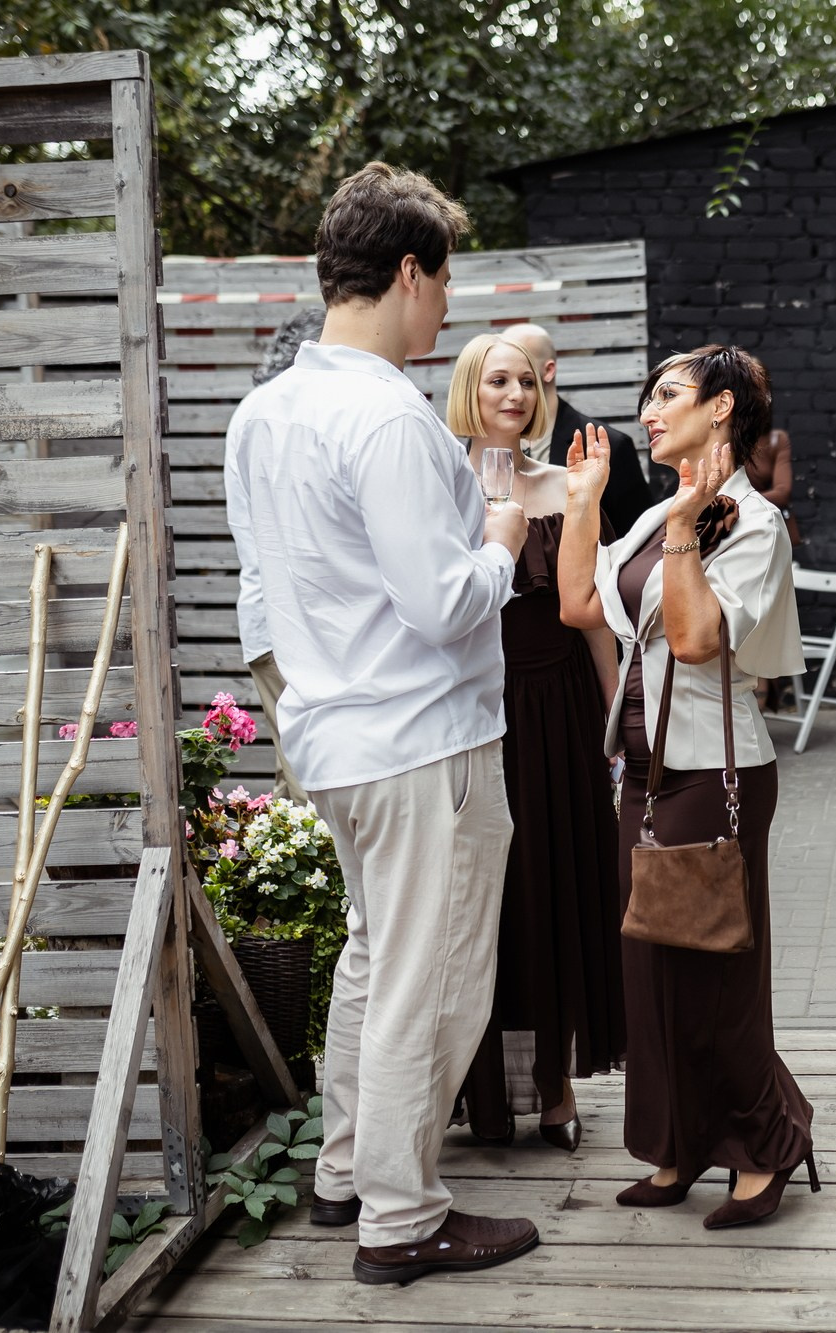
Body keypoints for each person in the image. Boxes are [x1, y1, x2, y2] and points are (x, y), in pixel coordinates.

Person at [225, 161, 540, 1284]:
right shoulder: (389, 419)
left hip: (334, 738)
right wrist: (503, 532)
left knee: (372, 958)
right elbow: (442, 602)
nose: (447, 308)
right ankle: (402, 1220)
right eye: (444, 282)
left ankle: (346, 1168)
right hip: (425, 746)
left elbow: (261, 596)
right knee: (432, 977)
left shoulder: (260, 415)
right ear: (408, 272)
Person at [556, 344, 819, 1231]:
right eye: (650, 395)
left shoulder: (750, 520)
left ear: (724, 408)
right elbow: (581, 608)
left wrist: (683, 527)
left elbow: (700, 637)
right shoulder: (663, 509)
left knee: (715, 970)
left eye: (669, 394)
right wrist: (587, 505)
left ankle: (766, 1144)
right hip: (644, 772)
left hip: (719, 773)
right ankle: (677, 1147)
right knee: (650, 971)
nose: (650, 409)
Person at [446, 333, 626, 1152]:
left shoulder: (566, 486)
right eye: (497, 380)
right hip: (475, 711)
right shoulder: (437, 486)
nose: (514, 393)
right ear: (467, 391)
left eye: (525, 380)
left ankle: (555, 1087)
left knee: (555, 890)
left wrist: (620, 709)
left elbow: (591, 613)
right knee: (490, 900)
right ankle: (477, 1091)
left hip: (559, 712)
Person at [221, 305, 325, 802]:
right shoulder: (275, 412)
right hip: (291, 625)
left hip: (278, 621)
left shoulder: (258, 409)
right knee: (311, 779)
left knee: (297, 775)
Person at [499, 322, 655, 534]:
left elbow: (637, 536)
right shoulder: (487, 443)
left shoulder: (609, 446)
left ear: (548, 370)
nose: (513, 390)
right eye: (500, 378)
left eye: (521, 365)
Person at [744, 425, 798, 712]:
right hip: (729, 539)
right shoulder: (723, 434)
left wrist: (735, 504)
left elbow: (783, 491)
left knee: (762, 617)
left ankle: (760, 704)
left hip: (766, 540)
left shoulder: (776, 439)